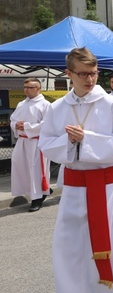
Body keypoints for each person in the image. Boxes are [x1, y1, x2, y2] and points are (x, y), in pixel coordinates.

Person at [38, 47, 113, 293]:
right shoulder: (57, 109)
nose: (89, 79)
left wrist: (87, 139)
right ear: (68, 74)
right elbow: (46, 144)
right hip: (74, 189)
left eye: (94, 73)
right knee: (75, 249)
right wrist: (69, 143)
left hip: (105, 186)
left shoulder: (111, 105)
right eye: (82, 74)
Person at [10, 78, 52, 212]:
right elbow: (13, 119)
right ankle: (41, 190)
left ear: (38, 88)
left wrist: (27, 126)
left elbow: (47, 124)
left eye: (30, 87)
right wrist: (15, 125)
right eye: (25, 87)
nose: (26, 90)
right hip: (22, 141)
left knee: (35, 170)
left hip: (37, 142)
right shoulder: (21, 104)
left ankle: (37, 198)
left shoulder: (45, 105)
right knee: (20, 165)